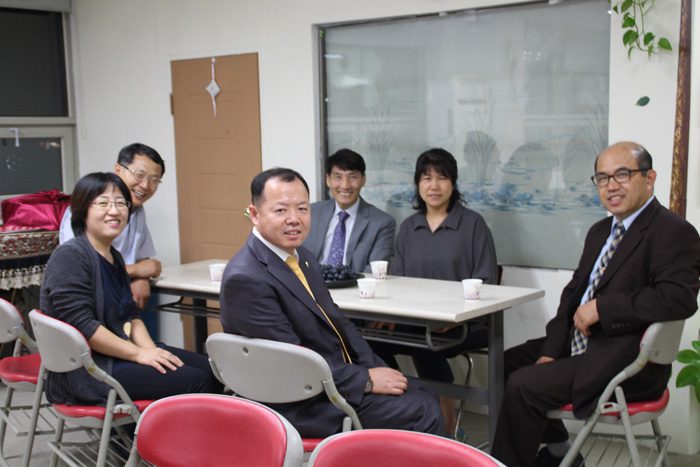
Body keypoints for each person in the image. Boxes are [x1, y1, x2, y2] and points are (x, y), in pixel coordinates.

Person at [491, 142, 700, 467]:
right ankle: (560, 451)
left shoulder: (674, 232)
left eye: (622, 174)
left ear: (649, 178)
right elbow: (572, 297)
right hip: (581, 346)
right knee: (502, 365)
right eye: (602, 178)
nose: (611, 185)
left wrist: (603, 308)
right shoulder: (600, 231)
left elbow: (678, 298)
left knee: (523, 384)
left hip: (627, 361)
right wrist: (550, 350)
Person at [219, 167, 445, 438]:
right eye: (280, 210)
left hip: (327, 380)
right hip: (296, 401)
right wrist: (365, 380)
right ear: (254, 214)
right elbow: (292, 361)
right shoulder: (246, 278)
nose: (294, 219)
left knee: (425, 392)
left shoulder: (301, 256)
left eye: (302, 209)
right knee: (421, 409)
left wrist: (374, 367)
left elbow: (338, 320)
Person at [41, 172, 220, 405]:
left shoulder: (114, 256)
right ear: (83, 210)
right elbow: (84, 327)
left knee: (213, 369)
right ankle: (161, 429)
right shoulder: (70, 256)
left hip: (119, 353)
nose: (114, 211)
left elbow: (131, 315)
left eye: (121, 203)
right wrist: (139, 354)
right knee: (196, 381)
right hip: (87, 369)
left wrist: (151, 351)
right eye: (103, 203)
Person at [373, 147, 498, 434]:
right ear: (417, 184)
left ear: (453, 183)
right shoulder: (410, 227)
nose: (434, 186)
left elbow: (486, 281)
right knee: (371, 342)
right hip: (419, 322)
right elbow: (397, 282)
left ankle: (445, 427)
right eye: (426, 178)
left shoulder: (473, 224)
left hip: (466, 323)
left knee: (427, 343)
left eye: (442, 177)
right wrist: (389, 315)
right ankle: (408, 407)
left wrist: (454, 317)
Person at [59, 143, 164, 309]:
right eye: (139, 175)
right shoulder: (87, 209)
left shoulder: (136, 209)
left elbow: (143, 258)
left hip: (120, 299)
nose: (145, 185)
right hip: (88, 300)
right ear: (118, 170)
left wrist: (142, 278)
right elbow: (79, 270)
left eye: (154, 181)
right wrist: (136, 271)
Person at [303, 148, 395, 273]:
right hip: (313, 283)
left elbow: (375, 271)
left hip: (356, 284)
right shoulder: (311, 213)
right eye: (338, 177)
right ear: (328, 180)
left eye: (352, 177)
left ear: (363, 180)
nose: (345, 185)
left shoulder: (382, 223)